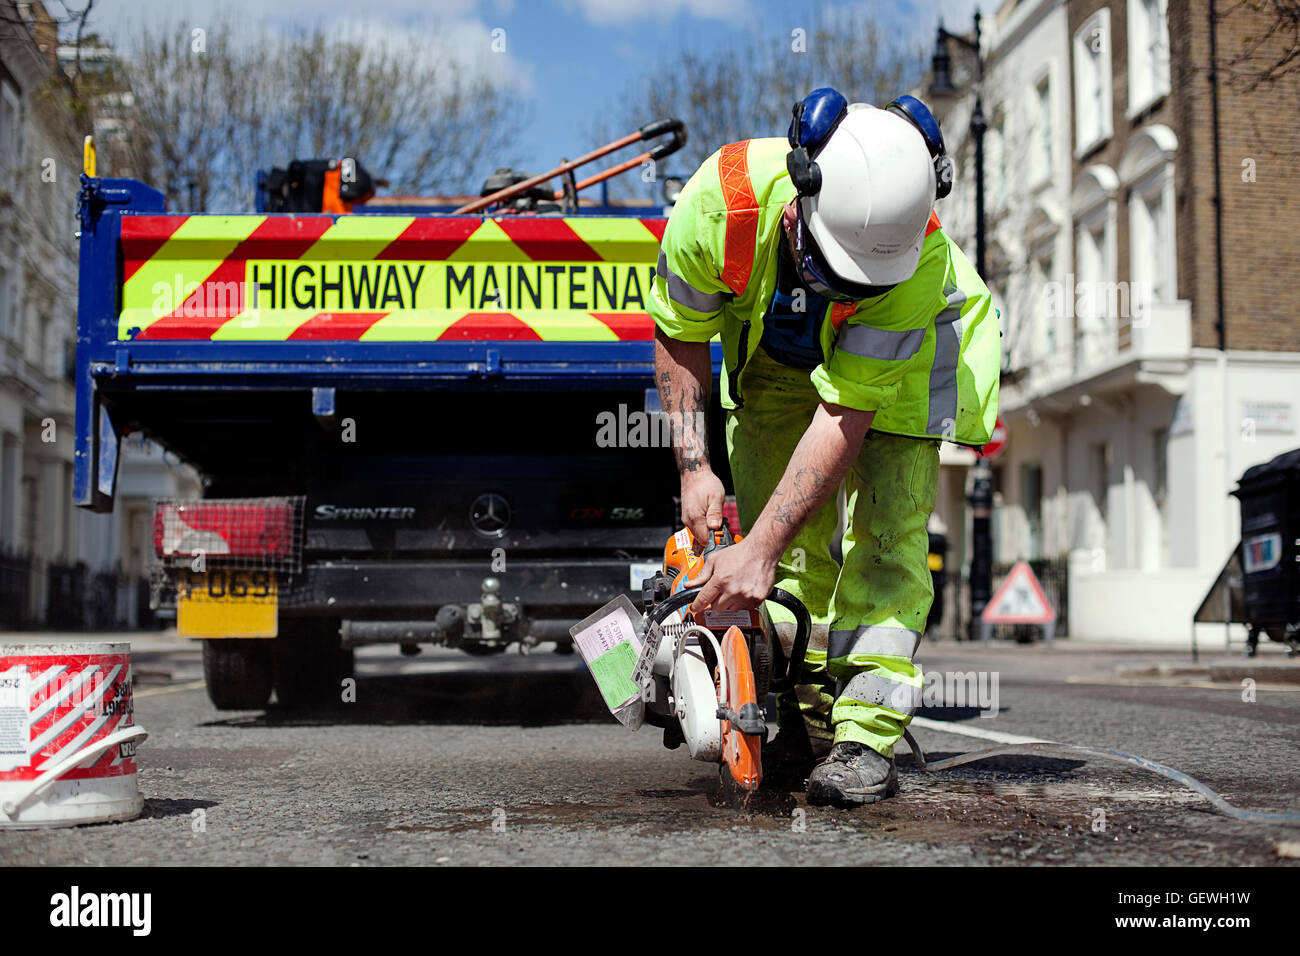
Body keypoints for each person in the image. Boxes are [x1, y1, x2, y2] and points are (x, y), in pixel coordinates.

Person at [648, 88, 1000, 807]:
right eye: (825, 268)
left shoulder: (915, 262)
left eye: (852, 282)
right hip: (774, 364)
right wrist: (695, 467)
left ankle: (865, 737)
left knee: (887, 540)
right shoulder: (722, 203)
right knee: (788, 552)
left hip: (909, 360)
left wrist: (758, 547)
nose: (834, 289)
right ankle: (799, 718)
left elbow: (846, 411)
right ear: (798, 198)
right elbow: (680, 332)